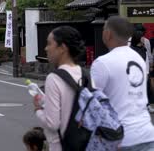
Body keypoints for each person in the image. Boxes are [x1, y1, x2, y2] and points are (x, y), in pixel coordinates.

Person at [91, 16, 154, 150]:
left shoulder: (102, 62)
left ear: (108, 34)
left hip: (120, 138)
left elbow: (93, 104)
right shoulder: (138, 58)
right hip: (146, 132)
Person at [33, 26, 86, 151]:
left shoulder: (54, 78)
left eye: (49, 44)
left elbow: (53, 123)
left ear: (63, 48)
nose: (46, 48)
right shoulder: (85, 74)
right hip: (85, 142)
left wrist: (38, 110)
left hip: (62, 144)